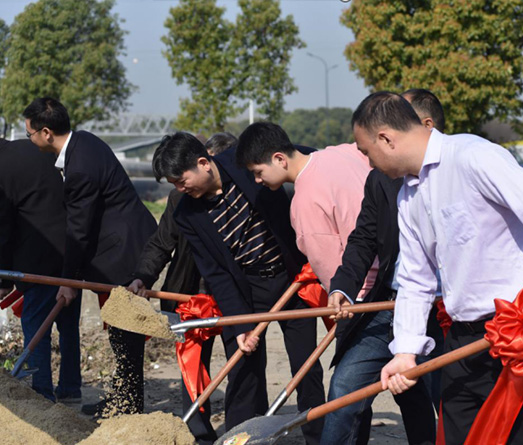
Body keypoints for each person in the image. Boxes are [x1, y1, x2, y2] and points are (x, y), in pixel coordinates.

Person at [351, 92, 523, 444]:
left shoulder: (473, 156)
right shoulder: (408, 197)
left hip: (521, 330)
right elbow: (416, 280)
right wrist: (405, 352)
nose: (368, 162)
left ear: (386, 139)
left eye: (365, 151)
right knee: (457, 434)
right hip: (463, 338)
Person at [152, 132, 325, 444]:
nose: (180, 189)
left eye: (181, 180)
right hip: (246, 292)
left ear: (203, 163)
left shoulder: (243, 162)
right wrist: (242, 324)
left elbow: (302, 159)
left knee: (306, 366)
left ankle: (318, 437)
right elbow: (216, 274)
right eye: (173, 184)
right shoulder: (187, 214)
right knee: (244, 372)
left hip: (291, 280)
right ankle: (243, 438)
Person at [322, 89, 446, 445]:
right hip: (390, 306)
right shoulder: (382, 178)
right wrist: (342, 287)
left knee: (447, 399)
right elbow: (363, 239)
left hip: (445, 312)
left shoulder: (460, 171)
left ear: (424, 125)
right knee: (345, 386)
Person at [22, 97, 158, 417]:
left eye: (29, 134)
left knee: (126, 333)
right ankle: (122, 400)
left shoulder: (80, 166)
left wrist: (69, 281)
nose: (28, 140)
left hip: (124, 252)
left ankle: (128, 406)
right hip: (122, 245)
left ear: (45, 132)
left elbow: (78, 229)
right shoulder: (84, 141)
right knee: (121, 335)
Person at [128, 132, 238, 444]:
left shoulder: (242, 196)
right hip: (189, 297)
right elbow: (161, 245)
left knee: (241, 367)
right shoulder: (181, 198)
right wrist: (141, 277)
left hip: (233, 299)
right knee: (192, 368)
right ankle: (199, 434)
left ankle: (240, 431)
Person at [235, 122, 377, 298]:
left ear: (279, 159)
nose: (257, 180)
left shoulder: (304, 203)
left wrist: (345, 296)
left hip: (365, 291)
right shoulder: (342, 152)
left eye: (258, 172)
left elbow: (329, 266)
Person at [0, 129, 81, 403]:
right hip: (69, 250)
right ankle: (70, 389)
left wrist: (4, 279)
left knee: (36, 325)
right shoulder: (30, 147)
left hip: (38, 258)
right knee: (67, 324)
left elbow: (5, 228)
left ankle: (42, 396)